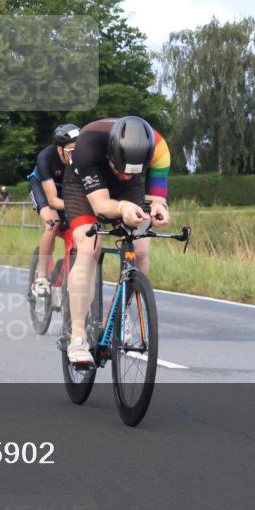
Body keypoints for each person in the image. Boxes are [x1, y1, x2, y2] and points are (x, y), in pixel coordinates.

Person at [62, 117, 170, 364]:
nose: (123, 175)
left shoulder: (159, 149)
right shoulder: (88, 147)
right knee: (90, 246)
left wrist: (159, 208)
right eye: (119, 169)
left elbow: (157, 198)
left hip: (130, 189)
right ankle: (77, 335)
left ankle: (119, 316)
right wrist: (122, 208)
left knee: (141, 248)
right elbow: (101, 205)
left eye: (130, 171)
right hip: (83, 186)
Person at [28, 123, 80, 297]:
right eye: (71, 151)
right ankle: (41, 276)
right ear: (59, 149)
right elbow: (52, 200)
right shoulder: (46, 157)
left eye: (78, 150)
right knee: (53, 222)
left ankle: (65, 272)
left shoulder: (82, 159)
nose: (76, 156)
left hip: (65, 191)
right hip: (42, 188)